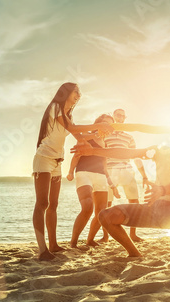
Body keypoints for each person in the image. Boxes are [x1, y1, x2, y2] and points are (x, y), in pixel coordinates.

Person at [71, 129, 170, 260]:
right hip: (152, 208)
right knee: (105, 215)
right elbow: (128, 153)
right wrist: (93, 151)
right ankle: (134, 253)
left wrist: (162, 190)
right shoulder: (161, 151)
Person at [32, 83, 113, 260]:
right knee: (42, 204)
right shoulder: (55, 108)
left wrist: (97, 135)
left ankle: (53, 245)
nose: (79, 94)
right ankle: (42, 249)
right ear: (66, 92)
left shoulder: (68, 115)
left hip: (57, 162)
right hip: (44, 159)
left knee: (53, 205)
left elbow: (80, 137)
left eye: (79, 92)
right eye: (76, 91)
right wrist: (98, 128)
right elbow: (74, 129)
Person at [67, 114, 120, 248]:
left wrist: (112, 184)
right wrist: (70, 171)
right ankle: (73, 242)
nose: (108, 127)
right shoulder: (86, 135)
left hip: (101, 176)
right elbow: (77, 154)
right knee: (87, 206)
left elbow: (104, 165)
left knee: (101, 212)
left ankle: (90, 240)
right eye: (106, 123)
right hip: (84, 173)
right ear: (99, 123)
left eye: (110, 125)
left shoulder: (106, 144)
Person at [100, 109, 149, 243]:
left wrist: (144, 175)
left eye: (123, 116)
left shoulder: (129, 137)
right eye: (118, 115)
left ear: (125, 118)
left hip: (127, 171)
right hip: (110, 172)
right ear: (114, 117)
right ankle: (105, 237)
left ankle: (133, 235)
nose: (120, 117)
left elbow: (136, 157)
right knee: (106, 204)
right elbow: (101, 156)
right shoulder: (105, 135)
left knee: (135, 203)